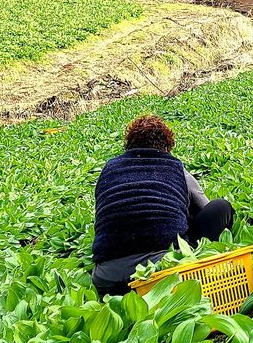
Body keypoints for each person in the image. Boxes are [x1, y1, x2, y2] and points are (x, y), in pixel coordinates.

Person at [92, 113, 234, 295]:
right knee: (220, 207)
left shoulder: (109, 169)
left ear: (129, 145)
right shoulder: (174, 167)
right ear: (167, 146)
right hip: (167, 270)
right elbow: (206, 208)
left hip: (107, 279)